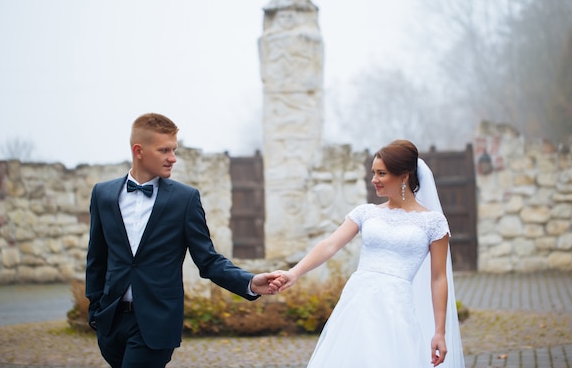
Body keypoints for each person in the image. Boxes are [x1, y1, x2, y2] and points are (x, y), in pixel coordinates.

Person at [85, 113, 279, 368]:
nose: (173, 158)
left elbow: (208, 260)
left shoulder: (184, 200)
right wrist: (95, 311)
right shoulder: (103, 194)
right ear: (138, 151)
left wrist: (250, 282)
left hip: (156, 324)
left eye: (174, 150)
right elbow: (97, 258)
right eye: (164, 150)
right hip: (111, 323)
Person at [271, 140, 465, 368]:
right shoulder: (366, 213)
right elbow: (330, 244)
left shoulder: (433, 223)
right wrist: (294, 273)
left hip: (396, 309)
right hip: (358, 305)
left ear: (404, 176)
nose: (374, 180)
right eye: (373, 172)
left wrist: (439, 332)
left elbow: (438, 278)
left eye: (381, 173)